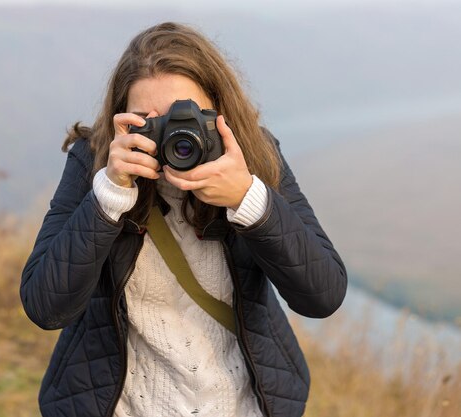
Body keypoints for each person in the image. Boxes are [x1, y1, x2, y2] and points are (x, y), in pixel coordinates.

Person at [20, 22, 347, 417]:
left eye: (185, 115)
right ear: (122, 119)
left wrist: (249, 199)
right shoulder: (94, 162)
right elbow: (45, 306)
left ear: (219, 109)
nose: (172, 136)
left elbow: (323, 295)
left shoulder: (255, 156)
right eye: (146, 121)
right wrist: (107, 196)